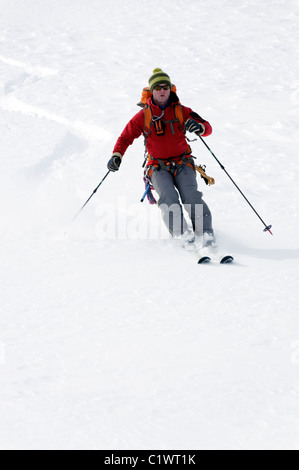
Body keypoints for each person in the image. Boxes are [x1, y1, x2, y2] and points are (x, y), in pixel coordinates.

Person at [107, 68, 215, 247]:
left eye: (165, 87)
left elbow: (207, 127)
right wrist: (117, 155)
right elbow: (125, 137)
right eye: (158, 87)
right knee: (169, 198)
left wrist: (200, 127)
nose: (162, 90)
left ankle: (205, 235)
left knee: (191, 196)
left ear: (170, 89)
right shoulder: (143, 116)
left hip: (183, 163)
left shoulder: (182, 111)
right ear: (152, 91)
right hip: (157, 167)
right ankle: (182, 236)